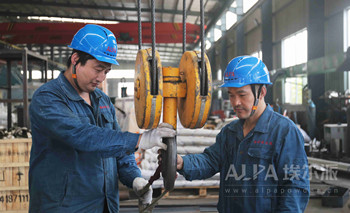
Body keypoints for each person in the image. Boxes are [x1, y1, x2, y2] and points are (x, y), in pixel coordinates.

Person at [29, 24, 175, 213]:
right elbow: (82, 136)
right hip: (64, 207)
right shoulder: (48, 98)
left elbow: (116, 146)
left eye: (106, 71)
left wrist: (134, 178)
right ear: (75, 60)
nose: (101, 78)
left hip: (105, 205)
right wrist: (140, 139)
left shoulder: (102, 100)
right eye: (97, 69)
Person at [172, 56, 310, 212]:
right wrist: (182, 163)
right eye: (231, 95)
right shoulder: (229, 132)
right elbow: (211, 160)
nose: (235, 102)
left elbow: (295, 187)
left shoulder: (284, 132)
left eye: (242, 95)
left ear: (261, 92)